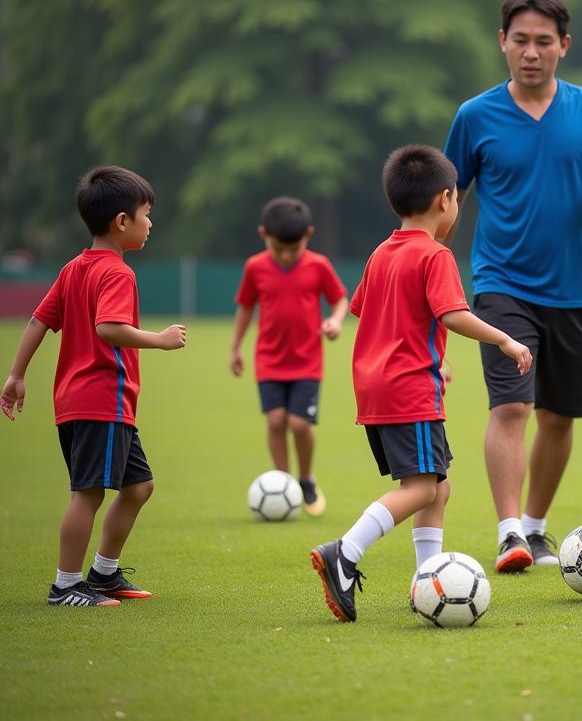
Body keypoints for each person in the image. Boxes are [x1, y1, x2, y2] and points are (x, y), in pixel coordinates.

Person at [443, 0, 582, 572]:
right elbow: (445, 203)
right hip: (501, 285)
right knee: (511, 408)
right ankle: (508, 534)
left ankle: (535, 528)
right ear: (502, 42)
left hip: (577, 290)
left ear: (564, 46)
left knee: (559, 417)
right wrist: (425, 272)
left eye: (543, 42)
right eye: (520, 40)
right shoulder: (474, 116)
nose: (531, 52)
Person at [310, 145, 531, 623]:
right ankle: (344, 552)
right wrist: (507, 341)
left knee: (440, 485)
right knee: (423, 488)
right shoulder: (435, 255)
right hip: (409, 388)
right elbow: (453, 315)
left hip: (377, 386)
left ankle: (424, 580)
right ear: (445, 199)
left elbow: (368, 312)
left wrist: (430, 358)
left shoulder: (381, 253)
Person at [0, 166, 187, 607]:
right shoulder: (117, 273)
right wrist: (158, 341)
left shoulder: (74, 268)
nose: (150, 223)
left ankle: (103, 574)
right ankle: (65, 585)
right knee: (87, 493)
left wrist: (16, 375)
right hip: (100, 399)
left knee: (139, 486)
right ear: (122, 222)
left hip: (87, 402)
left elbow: (38, 320)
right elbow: (109, 327)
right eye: (146, 214)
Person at [230, 197, 347, 516]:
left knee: (298, 423)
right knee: (276, 420)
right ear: (262, 234)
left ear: (308, 235)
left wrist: (335, 321)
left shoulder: (319, 265)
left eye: (292, 250)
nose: (284, 256)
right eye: (277, 248)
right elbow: (245, 308)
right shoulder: (255, 267)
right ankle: (285, 482)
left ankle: (306, 479)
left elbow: (340, 300)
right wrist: (235, 348)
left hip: (308, 360)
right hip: (268, 359)